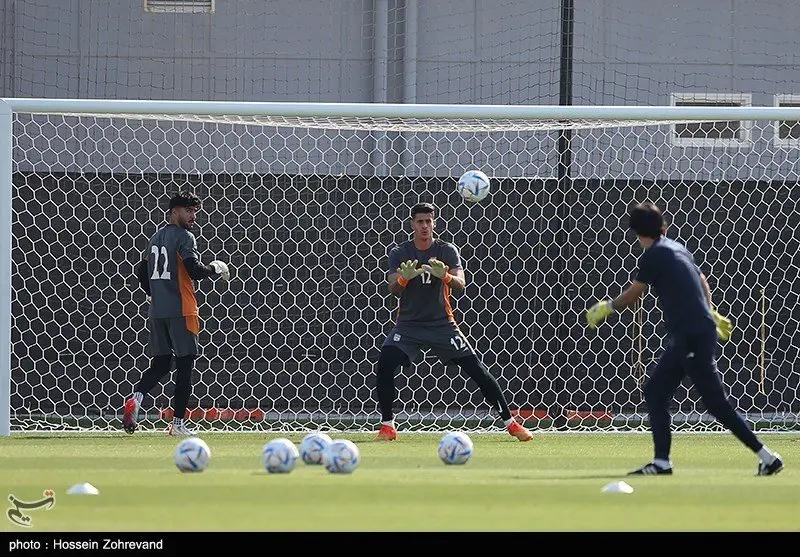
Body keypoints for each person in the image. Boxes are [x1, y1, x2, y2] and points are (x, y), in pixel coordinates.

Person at [585, 202, 783, 476]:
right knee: (655, 392)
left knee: (716, 404)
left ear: (637, 232)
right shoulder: (678, 248)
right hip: (688, 335)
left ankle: (767, 457)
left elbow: (634, 294)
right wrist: (710, 311)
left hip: (691, 336)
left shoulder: (654, 255)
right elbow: (702, 281)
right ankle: (661, 462)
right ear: (662, 226)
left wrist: (608, 306)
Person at [373, 202, 532, 442]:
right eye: (420, 221)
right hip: (409, 326)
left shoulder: (446, 250)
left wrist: (444, 276)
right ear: (412, 224)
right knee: (385, 364)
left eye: (428, 221)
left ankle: (511, 423)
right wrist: (404, 279)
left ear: (434, 223)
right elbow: (393, 288)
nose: (424, 226)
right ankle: (387, 426)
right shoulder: (400, 252)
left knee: (476, 369)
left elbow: (461, 284)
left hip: (442, 325)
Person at [124, 190, 231, 436]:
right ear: (174, 212)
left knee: (161, 364)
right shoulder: (185, 237)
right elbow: (194, 270)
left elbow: (141, 271)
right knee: (184, 366)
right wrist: (215, 268)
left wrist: (151, 293)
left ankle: (136, 397)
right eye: (188, 211)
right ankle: (179, 425)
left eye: (195, 211)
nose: (193, 216)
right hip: (183, 310)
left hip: (157, 312)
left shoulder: (155, 237)